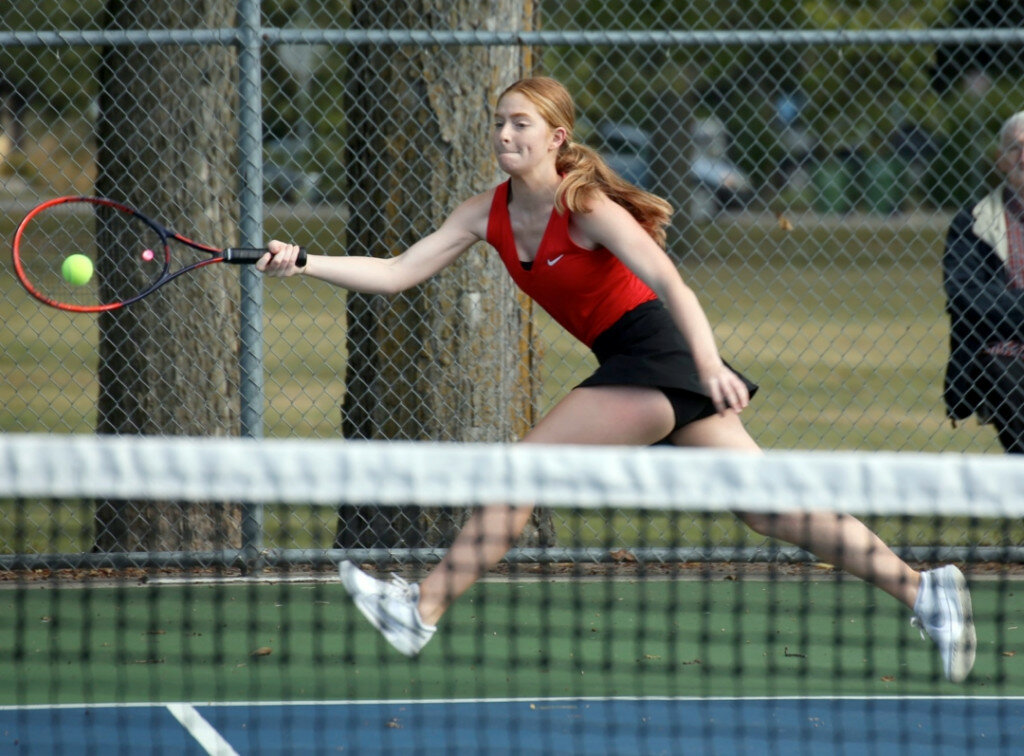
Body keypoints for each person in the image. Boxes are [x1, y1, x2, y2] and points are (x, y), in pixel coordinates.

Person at [259, 77, 975, 682]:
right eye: (499, 123)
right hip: (638, 363)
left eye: (520, 124)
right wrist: (304, 262)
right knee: (770, 509)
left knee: (523, 471)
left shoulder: (587, 207)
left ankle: (421, 610)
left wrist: (707, 364)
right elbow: (395, 273)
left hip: (655, 359)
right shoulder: (487, 213)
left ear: (557, 138)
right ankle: (924, 592)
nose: (504, 134)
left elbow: (671, 281)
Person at [943, 111, 1024, 454]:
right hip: (1005, 356)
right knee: (999, 366)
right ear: (1000, 160)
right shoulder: (973, 222)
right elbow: (967, 297)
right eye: (1016, 147)